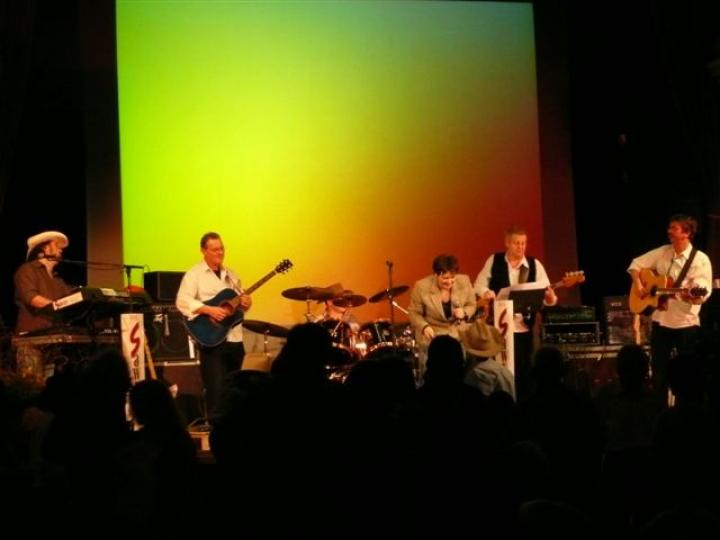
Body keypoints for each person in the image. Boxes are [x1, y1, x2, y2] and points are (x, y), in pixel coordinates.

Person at [627, 214, 712, 398]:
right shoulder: (663, 252)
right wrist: (640, 286)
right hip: (661, 320)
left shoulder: (700, 260)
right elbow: (635, 265)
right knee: (659, 372)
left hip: (686, 323)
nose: (669, 231)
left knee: (687, 374)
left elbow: (703, 291)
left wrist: (692, 295)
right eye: (670, 227)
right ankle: (658, 409)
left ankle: (686, 409)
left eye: (674, 228)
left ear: (687, 233)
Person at [473, 225, 557, 401]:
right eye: (517, 243)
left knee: (524, 371)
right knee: (499, 369)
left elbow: (546, 296)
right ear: (507, 243)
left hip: (523, 328)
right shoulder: (494, 260)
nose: (521, 247)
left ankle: (522, 405)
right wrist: (486, 292)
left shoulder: (534, 265)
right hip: (498, 327)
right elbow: (478, 285)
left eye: (523, 243)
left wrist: (550, 298)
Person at [176, 232, 252, 418]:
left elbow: (238, 308)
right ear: (204, 251)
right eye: (215, 249)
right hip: (211, 338)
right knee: (216, 389)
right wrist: (209, 310)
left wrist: (246, 303)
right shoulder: (194, 274)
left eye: (222, 248)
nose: (220, 252)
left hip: (234, 337)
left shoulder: (232, 275)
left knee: (235, 388)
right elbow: (182, 301)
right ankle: (216, 428)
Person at [13, 230, 74, 378]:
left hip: (52, 341)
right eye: (57, 245)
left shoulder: (58, 280)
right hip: (31, 340)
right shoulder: (27, 270)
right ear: (44, 249)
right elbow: (32, 298)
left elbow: (73, 299)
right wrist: (59, 305)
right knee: (32, 385)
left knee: (48, 385)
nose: (61, 249)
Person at [408, 254, 477, 372]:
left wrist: (464, 312)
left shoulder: (464, 281)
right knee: (432, 372)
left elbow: (472, 304)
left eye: (452, 277)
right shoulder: (421, 287)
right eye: (445, 278)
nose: (449, 281)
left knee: (461, 370)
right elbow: (414, 312)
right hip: (433, 334)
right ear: (436, 274)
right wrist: (424, 327)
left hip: (457, 333)